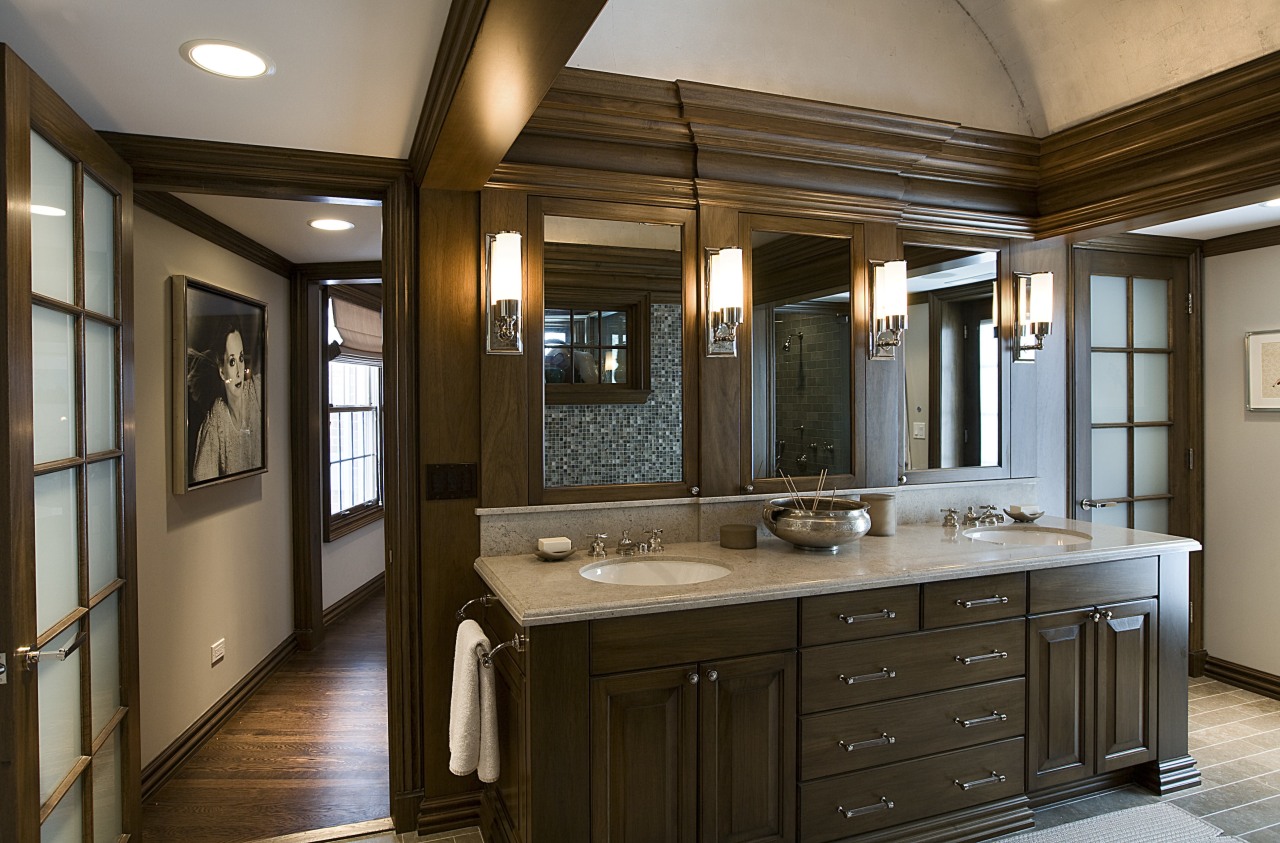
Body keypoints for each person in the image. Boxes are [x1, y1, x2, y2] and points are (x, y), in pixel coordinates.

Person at [191, 321, 263, 481]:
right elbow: (202, 480)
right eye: (232, 362)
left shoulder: (258, 391)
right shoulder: (215, 422)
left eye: (241, 358)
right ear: (222, 371)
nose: (239, 371)